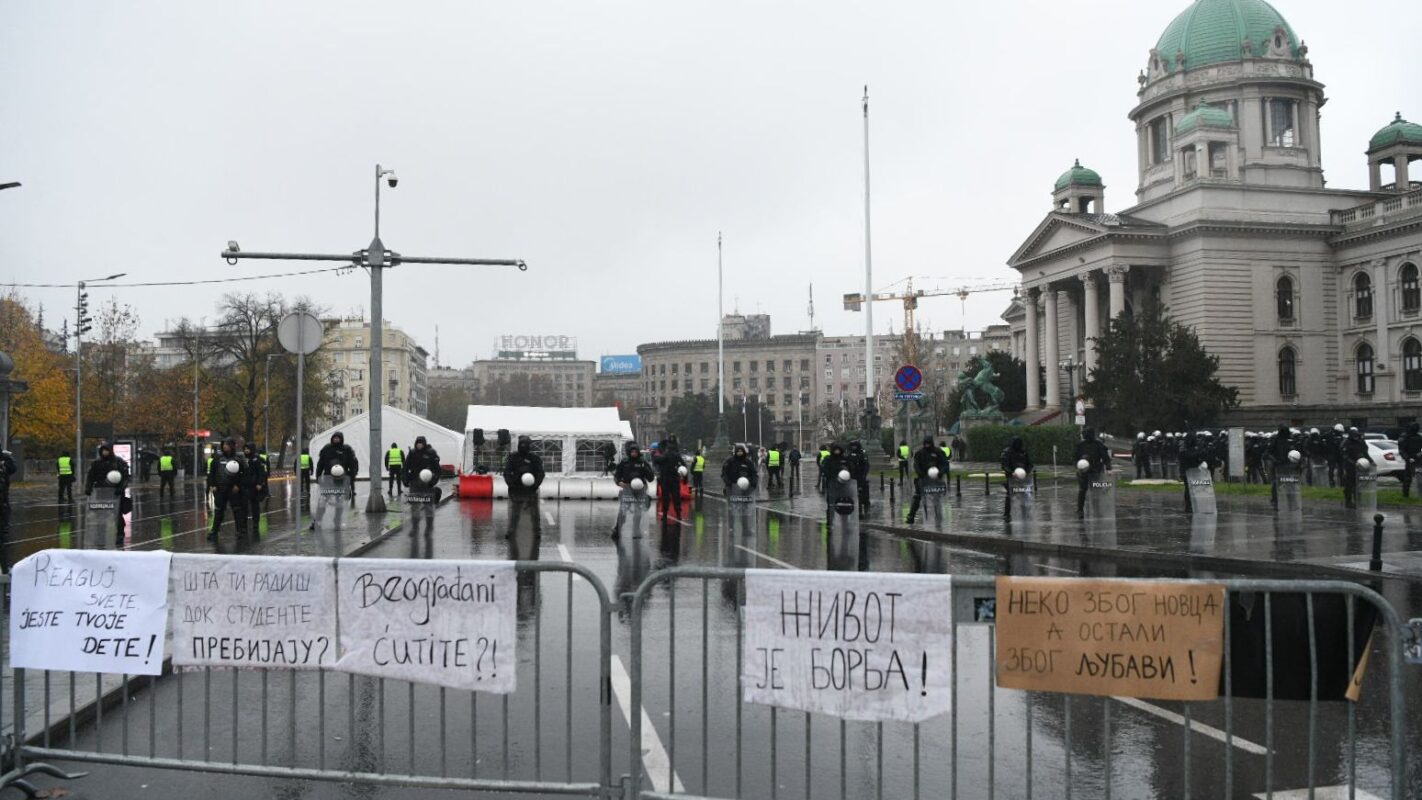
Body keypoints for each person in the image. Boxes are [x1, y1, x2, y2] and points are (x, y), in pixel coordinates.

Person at [312, 433, 358, 529]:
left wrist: (350, 475)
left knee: (339, 501)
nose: (336, 439)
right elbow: (320, 464)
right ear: (332, 439)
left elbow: (353, 465)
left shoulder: (346, 450)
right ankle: (317, 521)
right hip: (328, 479)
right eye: (335, 438)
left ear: (341, 439)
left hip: (341, 480)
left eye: (338, 438)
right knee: (323, 500)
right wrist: (318, 476)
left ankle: (337, 521)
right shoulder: (327, 449)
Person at [85, 444, 131, 539]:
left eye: (106, 450)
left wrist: (120, 489)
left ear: (111, 451)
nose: (104, 452)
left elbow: (126, 477)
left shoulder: (119, 462)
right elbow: (91, 476)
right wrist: (88, 488)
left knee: (117, 513)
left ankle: (120, 533)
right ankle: (101, 533)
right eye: (103, 450)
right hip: (101, 491)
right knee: (101, 513)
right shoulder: (97, 463)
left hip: (116, 492)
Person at [503, 435, 545, 538]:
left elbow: (540, 473)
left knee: (533, 512)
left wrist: (535, 485)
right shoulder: (513, 458)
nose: (523, 446)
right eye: (522, 444)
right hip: (516, 489)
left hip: (530, 489)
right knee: (515, 511)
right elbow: (507, 472)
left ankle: (536, 531)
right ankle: (512, 531)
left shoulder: (534, 458)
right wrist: (510, 484)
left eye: (525, 444)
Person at [611, 444, 655, 539]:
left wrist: (645, 468)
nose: (634, 454)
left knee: (638, 511)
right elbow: (617, 475)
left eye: (635, 452)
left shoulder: (643, 462)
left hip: (640, 490)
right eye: (632, 452)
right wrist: (619, 482)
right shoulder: (625, 462)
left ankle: (636, 529)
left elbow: (651, 478)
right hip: (627, 488)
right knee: (623, 510)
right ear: (629, 452)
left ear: (638, 452)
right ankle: (617, 529)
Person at [207, 438, 247, 541]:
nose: (225, 446)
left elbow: (244, 474)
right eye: (223, 444)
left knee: (237, 510)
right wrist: (212, 485)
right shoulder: (218, 458)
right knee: (218, 510)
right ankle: (214, 531)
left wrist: (238, 485)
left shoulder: (238, 458)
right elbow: (212, 472)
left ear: (232, 446)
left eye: (227, 444)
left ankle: (240, 531)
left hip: (233, 489)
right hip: (220, 488)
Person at [905, 437, 951, 525]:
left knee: (936, 498)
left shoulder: (938, 452)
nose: (927, 446)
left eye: (928, 444)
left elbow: (945, 464)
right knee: (917, 496)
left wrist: (940, 472)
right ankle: (911, 516)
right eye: (925, 444)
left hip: (936, 479)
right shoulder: (920, 453)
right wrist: (921, 474)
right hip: (923, 478)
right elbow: (916, 464)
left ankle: (938, 516)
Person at [1073, 427, 1111, 518]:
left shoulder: (1098, 444)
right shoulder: (1081, 445)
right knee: (1083, 490)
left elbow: (1105, 457)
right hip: (1084, 472)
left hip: (1095, 471)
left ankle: (1095, 509)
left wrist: (1108, 468)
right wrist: (1078, 466)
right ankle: (1080, 509)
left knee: (1094, 491)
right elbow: (1075, 458)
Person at [1179, 432, 1214, 512]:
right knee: (1188, 489)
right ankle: (1188, 506)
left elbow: (1198, 459)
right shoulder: (1184, 449)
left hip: (1195, 471)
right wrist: (1200, 453)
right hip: (1187, 471)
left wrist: (1203, 455)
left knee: (1197, 488)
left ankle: (1196, 504)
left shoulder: (1195, 448)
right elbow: (1189, 457)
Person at [653, 434, 685, 521]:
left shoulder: (665, 455)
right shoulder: (676, 456)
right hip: (673, 479)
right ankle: (678, 514)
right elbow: (683, 467)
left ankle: (666, 514)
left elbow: (656, 461)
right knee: (675, 497)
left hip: (667, 479)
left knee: (666, 498)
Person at [1000, 436, 1033, 520]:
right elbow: (1004, 465)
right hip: (1011, 478)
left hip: (1023, 478)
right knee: (1009, 496)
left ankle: (1025, 513)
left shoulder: (1023, 452)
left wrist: (1026, 472)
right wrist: (1012, 473)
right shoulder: (1007, 452)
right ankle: (1007, 514)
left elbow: (1030, 464)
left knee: (1024, 495)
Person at [1265, 425, 1295, 509]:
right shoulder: (1275, 440)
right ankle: (1275, 501)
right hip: (1277, 465)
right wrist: (1275, 460)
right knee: (1276, 483)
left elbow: (1295, 451)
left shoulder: (1290, 440)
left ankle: (1291, 502)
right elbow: (1268, 453)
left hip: (1288, 465)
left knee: (1290, 483)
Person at [241, 442, 268, 535]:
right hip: (245, 485)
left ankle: (255, 523)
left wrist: (260, 483)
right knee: (243, 506)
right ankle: (243, 525)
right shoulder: (243, 459)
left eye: (247, 449)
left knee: (254, 505)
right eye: (245, 449)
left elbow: (262, 472)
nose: (246, 450)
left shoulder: (257, 459)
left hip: (254, 486)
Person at [1340, 428, 1369, 509]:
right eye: (1355, 436)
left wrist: (1371, 461)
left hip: (1359, 466)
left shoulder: (1359, 442)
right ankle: (1348, 501)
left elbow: (1365, 452)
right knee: (1349, 485)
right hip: (1350, 466)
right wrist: (1353, 463)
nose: (1356, 437)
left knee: (1358, 485)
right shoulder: (1346, 442)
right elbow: (1345, 455)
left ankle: (1358, 501)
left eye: (1357, 436)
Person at [847, 441, 871, 516]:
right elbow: (847, 463)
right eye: (852, 446)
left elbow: (866, 465)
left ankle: (865, 505)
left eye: (854, 446)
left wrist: (864, 474)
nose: (853, 447)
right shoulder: (850, 454)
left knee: (863, 492)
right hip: (852, 476)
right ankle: (856, 507)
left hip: (860, 476)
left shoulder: (862, 453)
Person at [1399, 423, 1422, 498]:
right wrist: (1408, 458)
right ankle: (1405, 495)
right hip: (1410, 460)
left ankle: (1419, 494)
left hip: (1419, 459)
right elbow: (1402, 450)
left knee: (1419, 477)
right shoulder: (1405, 437)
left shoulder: (1419, 437)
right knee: (1408, 478)